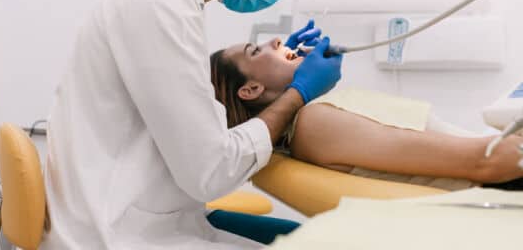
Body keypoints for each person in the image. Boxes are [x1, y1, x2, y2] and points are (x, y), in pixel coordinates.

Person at [42, 0, 343, 250]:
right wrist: (298, 92)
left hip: (152, 218)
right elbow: (209, 171)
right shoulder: (156, 2)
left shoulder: (173, 0)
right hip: (117, 234)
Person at [210, 35, 523, 190]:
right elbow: (490, 162)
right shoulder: (313, 124)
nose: (277, 41)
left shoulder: (313, 119)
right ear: (250, 90)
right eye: (256, 50)